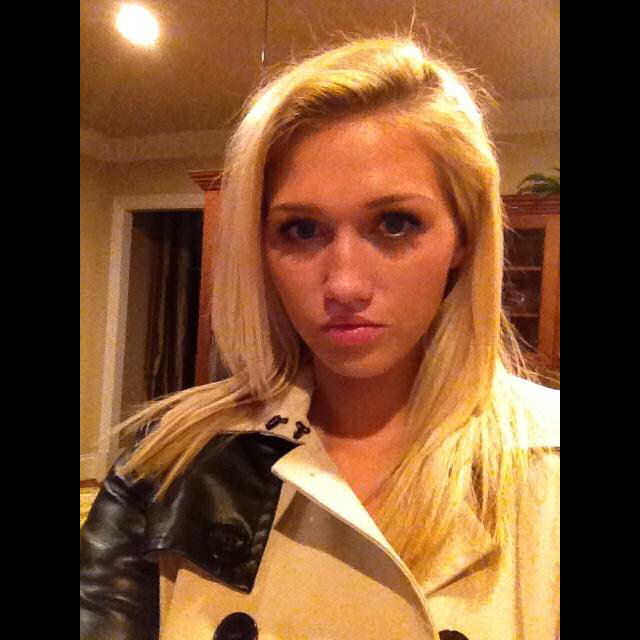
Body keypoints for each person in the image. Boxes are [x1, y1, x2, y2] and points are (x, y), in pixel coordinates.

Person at [80, 36, 559, 640]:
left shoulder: (548, 467)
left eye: (395, 223)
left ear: (462, 238)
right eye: (302, 230)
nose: (344, 284)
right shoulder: (168, 462)